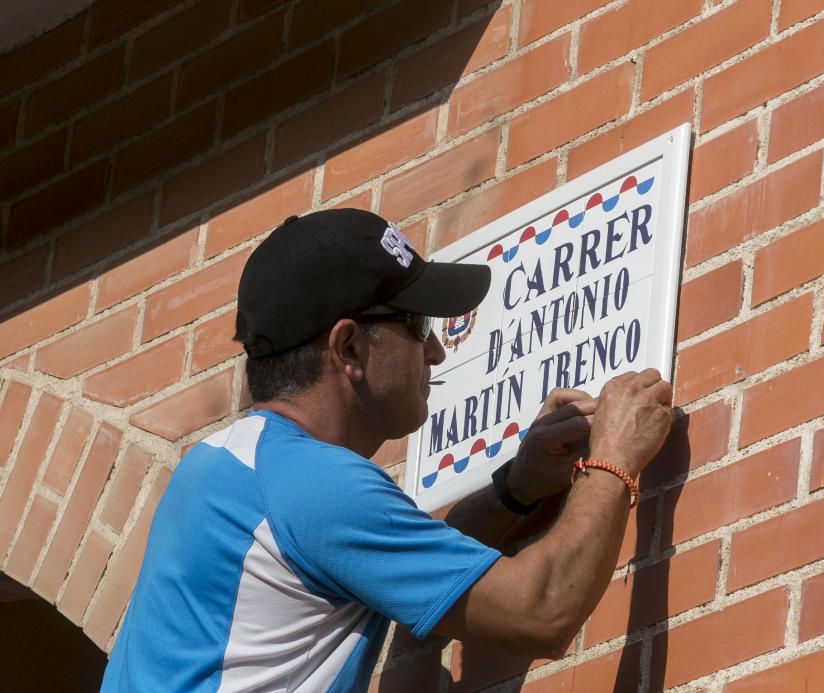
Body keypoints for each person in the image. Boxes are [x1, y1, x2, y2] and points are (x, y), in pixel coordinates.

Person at [100, 209, 674, 692]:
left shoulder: (229, 468)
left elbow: (408, 563)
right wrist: (613, 457)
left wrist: (515, 490)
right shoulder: (313, 485)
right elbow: (541, 609)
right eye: (417, 325)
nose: (435, 354)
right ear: (349, 346)